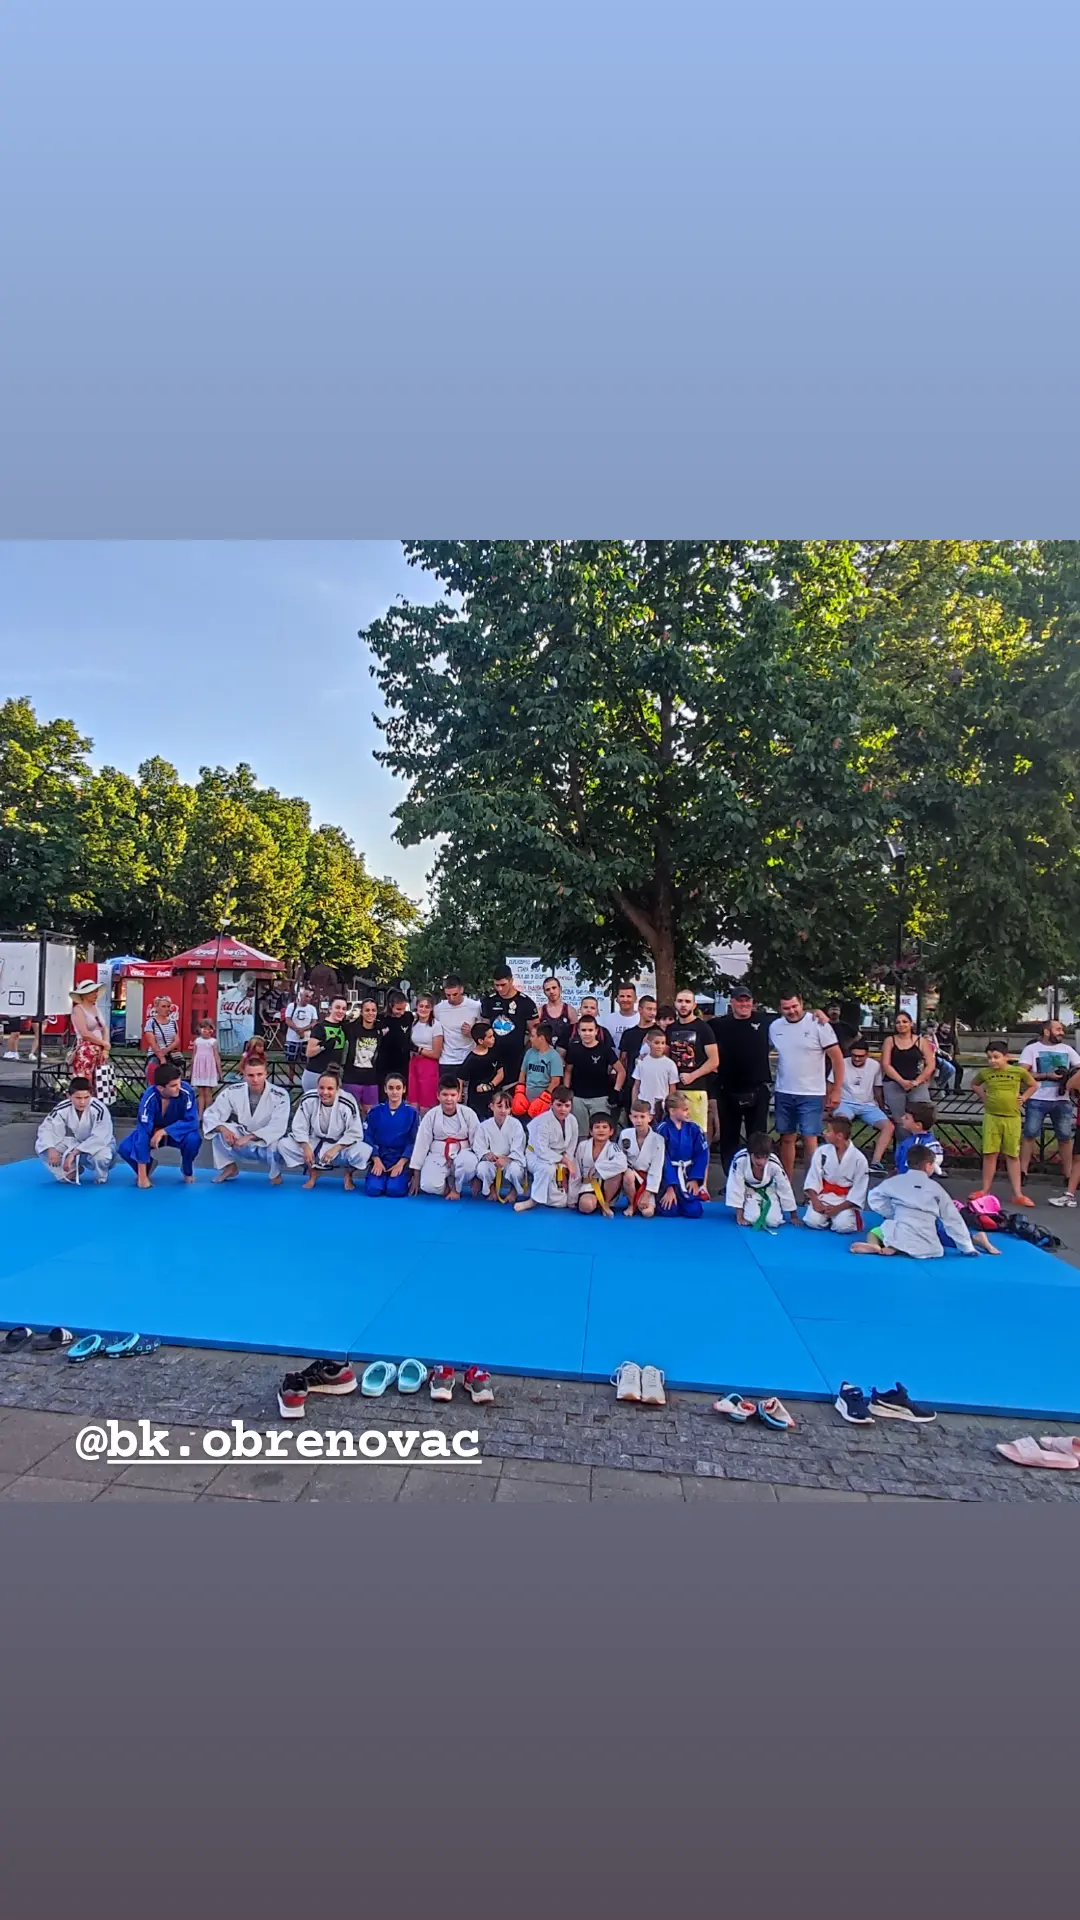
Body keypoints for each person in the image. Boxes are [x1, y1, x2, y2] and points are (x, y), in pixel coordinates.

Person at [852, 1147, 986, 1258]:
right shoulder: (936, 1188)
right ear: (928, 1166)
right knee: (930, 1232)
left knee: (878, 1231)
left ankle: (880, 1245)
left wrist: (892, 1213)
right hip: (928, 1242)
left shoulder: (895, 1181)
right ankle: (895, 1246)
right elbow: (953, 1219)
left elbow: (874, 1197)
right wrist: (967, 1247)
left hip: (901, 1229)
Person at [769, 993, 845, 1181]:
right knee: (787, 1138)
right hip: (784, 1090)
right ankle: (785, 1183)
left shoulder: (818, 1023)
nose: (791, 1011)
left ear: (801, 1003)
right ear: (780, 1009)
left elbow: (837, 1059)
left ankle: (811, 1184)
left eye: (794, 1006)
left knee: (810, 1139)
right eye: (786, 1008)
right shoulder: (775, 1026)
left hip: (811, 1092)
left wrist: (836, 1089)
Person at [709, 986, 773, 1173]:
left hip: (757, 1090)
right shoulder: (718, 1025)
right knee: (729, 1139)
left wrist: (818, 1014)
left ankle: (756, 1178)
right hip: (728, 1090)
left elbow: (793, 1020)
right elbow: (696, 1028)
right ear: (732, 1002)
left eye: (747, 1000)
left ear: (752, 1002)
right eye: (740, 1000)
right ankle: (731, 1179)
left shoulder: (765, 1021)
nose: (744, 1004)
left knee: (758, 1139)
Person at [277, 1065, 371, 1190]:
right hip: (314, 1142)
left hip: (340, 1145)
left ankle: (348, 1174)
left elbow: (354, 1132)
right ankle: (313, 1172)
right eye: (321, 1088)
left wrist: (336, 1148)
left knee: (364, 1151)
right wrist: (305, 1146)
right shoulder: (309, 1098)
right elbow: (299, 1126)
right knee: (283, 1145)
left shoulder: (347, 1101)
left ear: (338, 1089)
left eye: (330, 1088)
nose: (325, 1092)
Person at [202, 1056, 292, 1184]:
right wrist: (222, 1128)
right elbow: (211, 1114)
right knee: (218, 1131)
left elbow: (278, 1126)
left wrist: (249, 1137)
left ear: (266, 1074)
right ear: (244, 1075)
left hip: (265, 1140)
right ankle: (229, 1167)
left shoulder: (280, 1095)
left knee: (276, 1143)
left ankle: (275, 1174)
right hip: (241, 1136)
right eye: (250, 1075)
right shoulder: (232, 1091)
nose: (255, 1079)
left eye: (259, 1074)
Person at [971, 1041, 1037, 1207]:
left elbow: (1033, 1085)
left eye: (996, 1057)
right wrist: (983, 1096)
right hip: (992, 1117)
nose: (992, 1061)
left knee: (1012, 1155)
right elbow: (974, 1084)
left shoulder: (1018, 1071)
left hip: (1012, 1118)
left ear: (1006, 1057)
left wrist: (1024, 1097)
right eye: (989, 1058)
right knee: (990, 1154)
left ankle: (1018, 1194)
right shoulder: (985, 1073)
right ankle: (985, 1190)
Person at [119, 1060, 202, 1188]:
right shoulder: (149, 1098)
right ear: (160, 1088)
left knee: (193, 1139)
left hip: (177, 1133)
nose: (179, 1087)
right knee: (125, 1148)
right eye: (173, 1085)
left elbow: (192, 1121)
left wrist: (164, 1131)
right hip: (152, 1134)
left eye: (179, 1083)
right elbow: (143, 1132)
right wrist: (142, 1176)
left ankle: (187, 1169)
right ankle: (147, 1168)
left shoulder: (186, 1091)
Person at [1018, 1020, 1080, 1184]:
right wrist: (1047, 1076)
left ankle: (1069, 1176)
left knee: (1065, 1137)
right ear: (1047, 1032)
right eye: (1058, 1029)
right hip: (1037, 1098)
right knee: (1029, 1134)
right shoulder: (1031, 1049)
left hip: (1062, 1099)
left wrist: (1070, 1078)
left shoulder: (1067, 1049)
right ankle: (1022, 1172)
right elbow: (1021, 1073)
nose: (1062, 1032)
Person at [408, 1074, 480, 1198]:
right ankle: (447, 1186)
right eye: (445, 1095)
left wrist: (477, 1176)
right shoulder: (431, 1115)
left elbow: (478, 1141)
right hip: (438, 1155)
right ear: (438, 1095)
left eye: (453, 1095)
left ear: (459, 1095)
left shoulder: (469, 1114)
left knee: (469, 1163)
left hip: (463, 1154)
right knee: (427, 1185)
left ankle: (456, 1188)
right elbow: (421, 1144)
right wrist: (416, 1175)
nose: (449, 1099)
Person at [36, 1077, 116, 1184]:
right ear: (69, 1096)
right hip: (78, 1142)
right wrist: (51, 1148)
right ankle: (71, 1171)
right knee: (42, 1145)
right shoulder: (62, 1108)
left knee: (102, 1157)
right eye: (78, 1098)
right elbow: (47, 1128)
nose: (82, 1102)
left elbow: (100, 1137)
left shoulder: (99, 1109)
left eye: (86, 1097)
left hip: (103, 1145)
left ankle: (101, 1176)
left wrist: (74, 1153)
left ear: (91, 1095)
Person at [833, 1039, 894, 1172]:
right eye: (854, 1055)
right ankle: (842, 1159)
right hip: (845, 1102)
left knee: (889, 1127)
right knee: (841, 1124)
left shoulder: (874, 1065)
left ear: (867, 1055)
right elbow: (831, 1085)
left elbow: (877, 1088)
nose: (857, 1059)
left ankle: (875, 1162)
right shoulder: (841, 1063)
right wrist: (829, 1104)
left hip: (868, 1105)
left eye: (860, 1056)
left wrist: (882, 1107)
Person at [802, 1114, 869, 1233]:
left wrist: (838, 1209)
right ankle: (827, 1218)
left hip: (845, 1201)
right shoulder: (822, 1151)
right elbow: (813, 1178)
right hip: (824, 1197)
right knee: (812, 1221)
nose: (824, 1133)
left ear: (839, 1136)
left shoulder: (859, 1159)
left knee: (843, 1226)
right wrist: (816, 1202)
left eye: (828, 1131)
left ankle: (836, 1218)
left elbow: (859, 1190)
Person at [516, 1089, 579, 1212]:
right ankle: (533, 1200)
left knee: (560, 1203)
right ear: (551, 1104)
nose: (563, 1109)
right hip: (536, 1155)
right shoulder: (542, 1121)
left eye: (567, 1106)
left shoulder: (572, 1120)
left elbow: (572, 1144)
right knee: (547, 1169)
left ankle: (572, 1197)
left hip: (560, 1157)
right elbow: (542, 1150)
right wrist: (565, 1161)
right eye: (559, 1105)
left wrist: (566, 1163)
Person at [666, 990, 720, 1134]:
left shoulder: (703, 1028)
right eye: (680, 1001)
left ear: (694, 1005)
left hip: (696, 1089)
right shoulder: (670, 1029)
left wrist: (693, 1076)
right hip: (673, 1089)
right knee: (674, 1132)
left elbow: (714, 1060)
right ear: (675, 1003)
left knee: (697, 1133)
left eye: (687, 1001)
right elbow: (665, 1056)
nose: (683, 1005)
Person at [725, 1131, 799, 1230]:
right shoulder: (740, 1161)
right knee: (752, 1219)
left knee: (774, 1221)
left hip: (769, 1189)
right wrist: (739, 1215)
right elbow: (736, 1187)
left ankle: (774, 1204)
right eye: (757, 1157)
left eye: (765, 1157)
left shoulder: (774, 1164)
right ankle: (747, 1205)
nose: (761, 1162)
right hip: (748, 1190)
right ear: (750, 1153)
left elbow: (784, 1187)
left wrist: (793, 1215)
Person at [655, 1090, 710, 1217]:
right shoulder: (662, 1130)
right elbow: (662, 1159)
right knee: (669, 1210)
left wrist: (694, 1179)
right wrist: (670, 1187)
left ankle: (684, 1199)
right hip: (668, 1177)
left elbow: (701, 1154)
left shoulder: (694, 1129)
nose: (688, 1112)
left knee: (694, 1211)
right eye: (685, 1110)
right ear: (672, 1111)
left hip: (687, 1175)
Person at [364, 1071, 419, 1197]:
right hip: (380, 1157)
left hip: (400, 1159)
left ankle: (405, 1176)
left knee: (395, 1190)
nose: (394, 1092)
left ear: (404, 1089)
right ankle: (377, 1176)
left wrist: (401, 1163)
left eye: (398, 1088)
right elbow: (368, 1136)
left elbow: (413, 1140)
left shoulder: (412, 1113)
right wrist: (376, 1159)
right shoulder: (375, 1111)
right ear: (385, 1089)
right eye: (391, 1088)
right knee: (373, 1190)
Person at [563, 1011, 617, 1136]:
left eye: (590, 1030)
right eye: (584, 1030)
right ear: (578, 1031)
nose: (587, 1033)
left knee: (600, 1131)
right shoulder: (574, 1049)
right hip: (578, 1097)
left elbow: (621, 1071)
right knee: (580, 1133)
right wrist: (566, 1091)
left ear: (596, 1031)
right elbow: (568, 1071)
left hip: (600, 1097)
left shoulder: (605, 1049)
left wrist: (616, 1090)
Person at [479, 966, 538, 1081]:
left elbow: (535, 1031)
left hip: (516, 1057)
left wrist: (527, 1053)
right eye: (496, 985)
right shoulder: (488, 1002)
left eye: (503, 985)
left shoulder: (526, 1002)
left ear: (511, 981)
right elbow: (483, 1029)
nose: (500, 989)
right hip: (493, 1056)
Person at [879, 1012, 936, 1123]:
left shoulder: (921, 1041)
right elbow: (885, 1064)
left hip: (916, 1083)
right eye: (898, 1022)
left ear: (911, 1023)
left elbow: (931, 1064)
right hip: (894, 1082)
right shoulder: (889, 1041)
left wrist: (917, 1081)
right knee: (900, 1119)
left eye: (904, 1021)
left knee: (923, 1116)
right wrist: (901, 1081)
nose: (901, 1024)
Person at [474, 1088, 528, 1201]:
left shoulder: (516, 1125)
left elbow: (518, 1149)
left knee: (515, 1170)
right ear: (491, 1106)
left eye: (507, 1107)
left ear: (510, 1109)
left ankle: (513, 1191)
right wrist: (487, 1154)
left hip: (511, 1160)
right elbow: (479, 1147)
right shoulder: (484, 1126)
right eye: (499, 1106)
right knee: (482, 1168)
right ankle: (491, 1189)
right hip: (492, 1160)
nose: (503, 1110)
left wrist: (507, 1159)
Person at [570, 1113, 629, 1216]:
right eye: (597, 1127)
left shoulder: (613, 1147)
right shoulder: (583, 1146)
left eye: (605, 1127)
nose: (601, 1130)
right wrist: (572, 1198)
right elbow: (577, 1171)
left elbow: (622, 1164)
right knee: (586, 1206)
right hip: (588, 1185)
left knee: (617, 1173)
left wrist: (598, 1167)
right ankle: (594, 1202)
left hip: (608, 1186)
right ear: (591, 1131)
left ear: (611, 1132)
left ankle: (606, 1203)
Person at [619, 1098, 667, 1216]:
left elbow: (656, 1169)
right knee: (628, 1175)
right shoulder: (625, 1134)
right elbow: (620, 1158)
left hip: (647, 1180)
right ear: (630, 1117)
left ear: (650, 1118)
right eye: (635, 1117)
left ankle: (644, 1198)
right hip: (629, 1178)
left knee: (648, 1213)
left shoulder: (658, 1140)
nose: (638, 1121)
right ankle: (631, 1204)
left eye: (642, 1117)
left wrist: (647, 1193)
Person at [431, 975, 483, 1078]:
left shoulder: (475, 1006)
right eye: (448, 995)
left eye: (455, 994)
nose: (451, 998)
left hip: (469, 1057)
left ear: (461, 990)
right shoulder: (438, 1009)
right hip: (447, 1060)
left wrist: (472, 1032)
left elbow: (483, 1031)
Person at [69, 979, 112, 1101]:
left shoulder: (96, 1008)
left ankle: (96, 1103)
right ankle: (82, 1102)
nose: (95, 994)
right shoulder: (78, 1009)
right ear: (83, 995)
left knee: (99, 1080)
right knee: (85, 1079)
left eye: (96, 991)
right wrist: (103, 1043)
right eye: (92, 992)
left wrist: (105, 1045)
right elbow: (84, 1033)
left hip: (99, 1049)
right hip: (86, 1050)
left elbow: (104, 1028)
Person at [613, 994, 657, 1110]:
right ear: (640, 1010)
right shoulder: (629, 1034)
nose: (652, 1013)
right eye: (649, 1009)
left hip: (654, 1083)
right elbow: (623, 1059)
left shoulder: (658, 1032)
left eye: (654, 1009)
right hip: (632, 1083)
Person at [513, 1022, 563, 1118]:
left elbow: (555, 1081)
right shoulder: (529, 1052)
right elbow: (523, 1073)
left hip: (543, 1100)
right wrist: (519, 1093)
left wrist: (543, 1099)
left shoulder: (554, 1057)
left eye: (533, 1036)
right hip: (526, 1099)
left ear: (541, 1038)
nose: (530, 1039)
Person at [302, 994, 350, 1094]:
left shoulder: (344, 1027)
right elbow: (309, 1052)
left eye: (343, 1009)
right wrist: (323, 1046)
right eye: (337, 1007)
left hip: (333, 1075)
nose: (340, 1011)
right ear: (330, 1009)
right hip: (316, 1074)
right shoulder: (320, 1027)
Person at [342, 997, 383, 1112]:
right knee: (351, 1112)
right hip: (351, 1079)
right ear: (361, 1012)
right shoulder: (350, 1028)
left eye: (373, 1010)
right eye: (367, 1010)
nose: (370, 1013)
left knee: (371, 1114)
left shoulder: (380, 1030)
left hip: (371, 1080)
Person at [632, 1026, 680, 1120]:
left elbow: (672, 1088)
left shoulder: (670, 1064)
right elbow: (636, 1085)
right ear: (649, 1043)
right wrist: (634, 1104)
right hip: (643, 1108)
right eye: (656, 1043)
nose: (660, 1046)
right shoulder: (642, 1062)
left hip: (661, 1108)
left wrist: (670, 1107)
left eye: (663, 1043)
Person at [460, 1019, 505, 1119]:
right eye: (490, 1037)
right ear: (480, 1041)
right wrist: (459, 1096)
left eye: (493, 1036)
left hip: (494, 1097)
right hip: (477, 1100)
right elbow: (461, 1078)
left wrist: (490, 1085)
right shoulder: (472, 1059)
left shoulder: (494, 1053)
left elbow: (501, 1073)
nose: (493, 1039)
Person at [407, 993, 444, 1113]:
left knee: (426, 1101)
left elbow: (436, 1053)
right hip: (414, 1063)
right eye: (421, 1006)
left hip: (428, 1065)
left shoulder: (436, 1026)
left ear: (431, 1008)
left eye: (427, 1007)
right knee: (413, 1099)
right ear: (417, 1007)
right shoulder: (414, 1024)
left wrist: (419, 1050)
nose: (423, 1009)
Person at [376, 989, 414, 1093]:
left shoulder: (408, 1017)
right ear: (390, 1005)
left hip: (403, 1063)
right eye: (398, 1009)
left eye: (404, 1009)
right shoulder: (381, 1019)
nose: (401, 1012)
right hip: (385, 1063)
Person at [893, 1103, 944, 1177]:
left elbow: (902, 1160)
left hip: (910, 1178)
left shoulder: (916, 1143)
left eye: (907, 1118)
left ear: (918, 1125)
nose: (902, 1118)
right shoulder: (931, 1142)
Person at [143, 994, 181, 1081]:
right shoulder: (151, 1022)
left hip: (170, 1055)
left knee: (173, 1080)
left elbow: (176, 1040)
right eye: (163, 1006)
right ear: (156, 1008)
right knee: (153, 1079)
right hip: (155, 1055)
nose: (166, 1009)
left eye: (168, 1006)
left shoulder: (173, 1022)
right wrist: (161, 1057)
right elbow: (152, 1042)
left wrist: (166, 1050)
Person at [189, 1018, 223, 1118]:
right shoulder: (197, 1041)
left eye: (209, 1030)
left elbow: (217, 1057)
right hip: (199, 1068)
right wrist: (191, 1071)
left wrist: (220, 1072)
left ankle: (208, 1114)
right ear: (200, 1030)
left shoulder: (213, 1042)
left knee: (208, 1092)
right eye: (204, 1029)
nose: (207, 1032)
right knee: (201, 1092)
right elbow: (193, 1056)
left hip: (209, 1068)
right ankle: (200, 1114)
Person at [537, 975, 578, 1055]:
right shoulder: (540, 1011)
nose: (551, 991)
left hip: (566, 1055)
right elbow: (535, 1034)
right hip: (545, 1054)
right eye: (548, 989)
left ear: (560, 989)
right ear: (544, 992)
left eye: (554, 988)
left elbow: (575, 1035)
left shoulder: (570, 1010)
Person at [283, 985, 318, 1072]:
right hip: (292, 1039)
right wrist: (297, 1030)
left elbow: (314, 1022)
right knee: (291, 1061)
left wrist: (303, 1030)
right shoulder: (292, 1006)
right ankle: (290, 1078)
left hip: (306, 1039)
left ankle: (304, 1077)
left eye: (310, 997)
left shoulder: (312, 1009)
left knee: (306, 1061)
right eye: (306, 996)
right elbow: (288, 1020)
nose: (308, 999)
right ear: (301, 996)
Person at [601, 985, 639, 1051]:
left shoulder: (641, 1018)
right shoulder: (609, 1019)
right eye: (622, 996)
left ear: (635, 999)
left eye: (629, 996)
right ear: (617, 999)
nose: (625, 999)